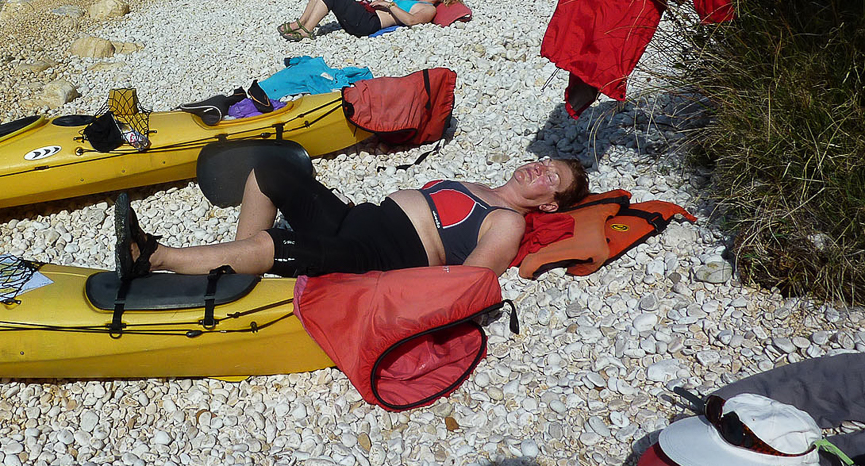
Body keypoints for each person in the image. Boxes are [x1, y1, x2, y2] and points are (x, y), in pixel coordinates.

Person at [115, 156, 589, 281]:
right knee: (269, 173)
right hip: (356, 219)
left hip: (379, 255)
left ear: (549, 205)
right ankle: (241, 275)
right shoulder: (476, 186)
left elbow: (470, 279)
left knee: (283, 248)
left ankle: (155, 257)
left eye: (552, 178)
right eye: (546, 162)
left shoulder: (508, 221)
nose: (541, 169)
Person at [278, 0, 464, 41]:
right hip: (365, 16)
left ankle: (307, 30)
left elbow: (412, 21)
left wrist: (388, 5)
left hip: (367, 23)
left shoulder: (428, 8)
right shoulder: (417, 0)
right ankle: (302, 22)